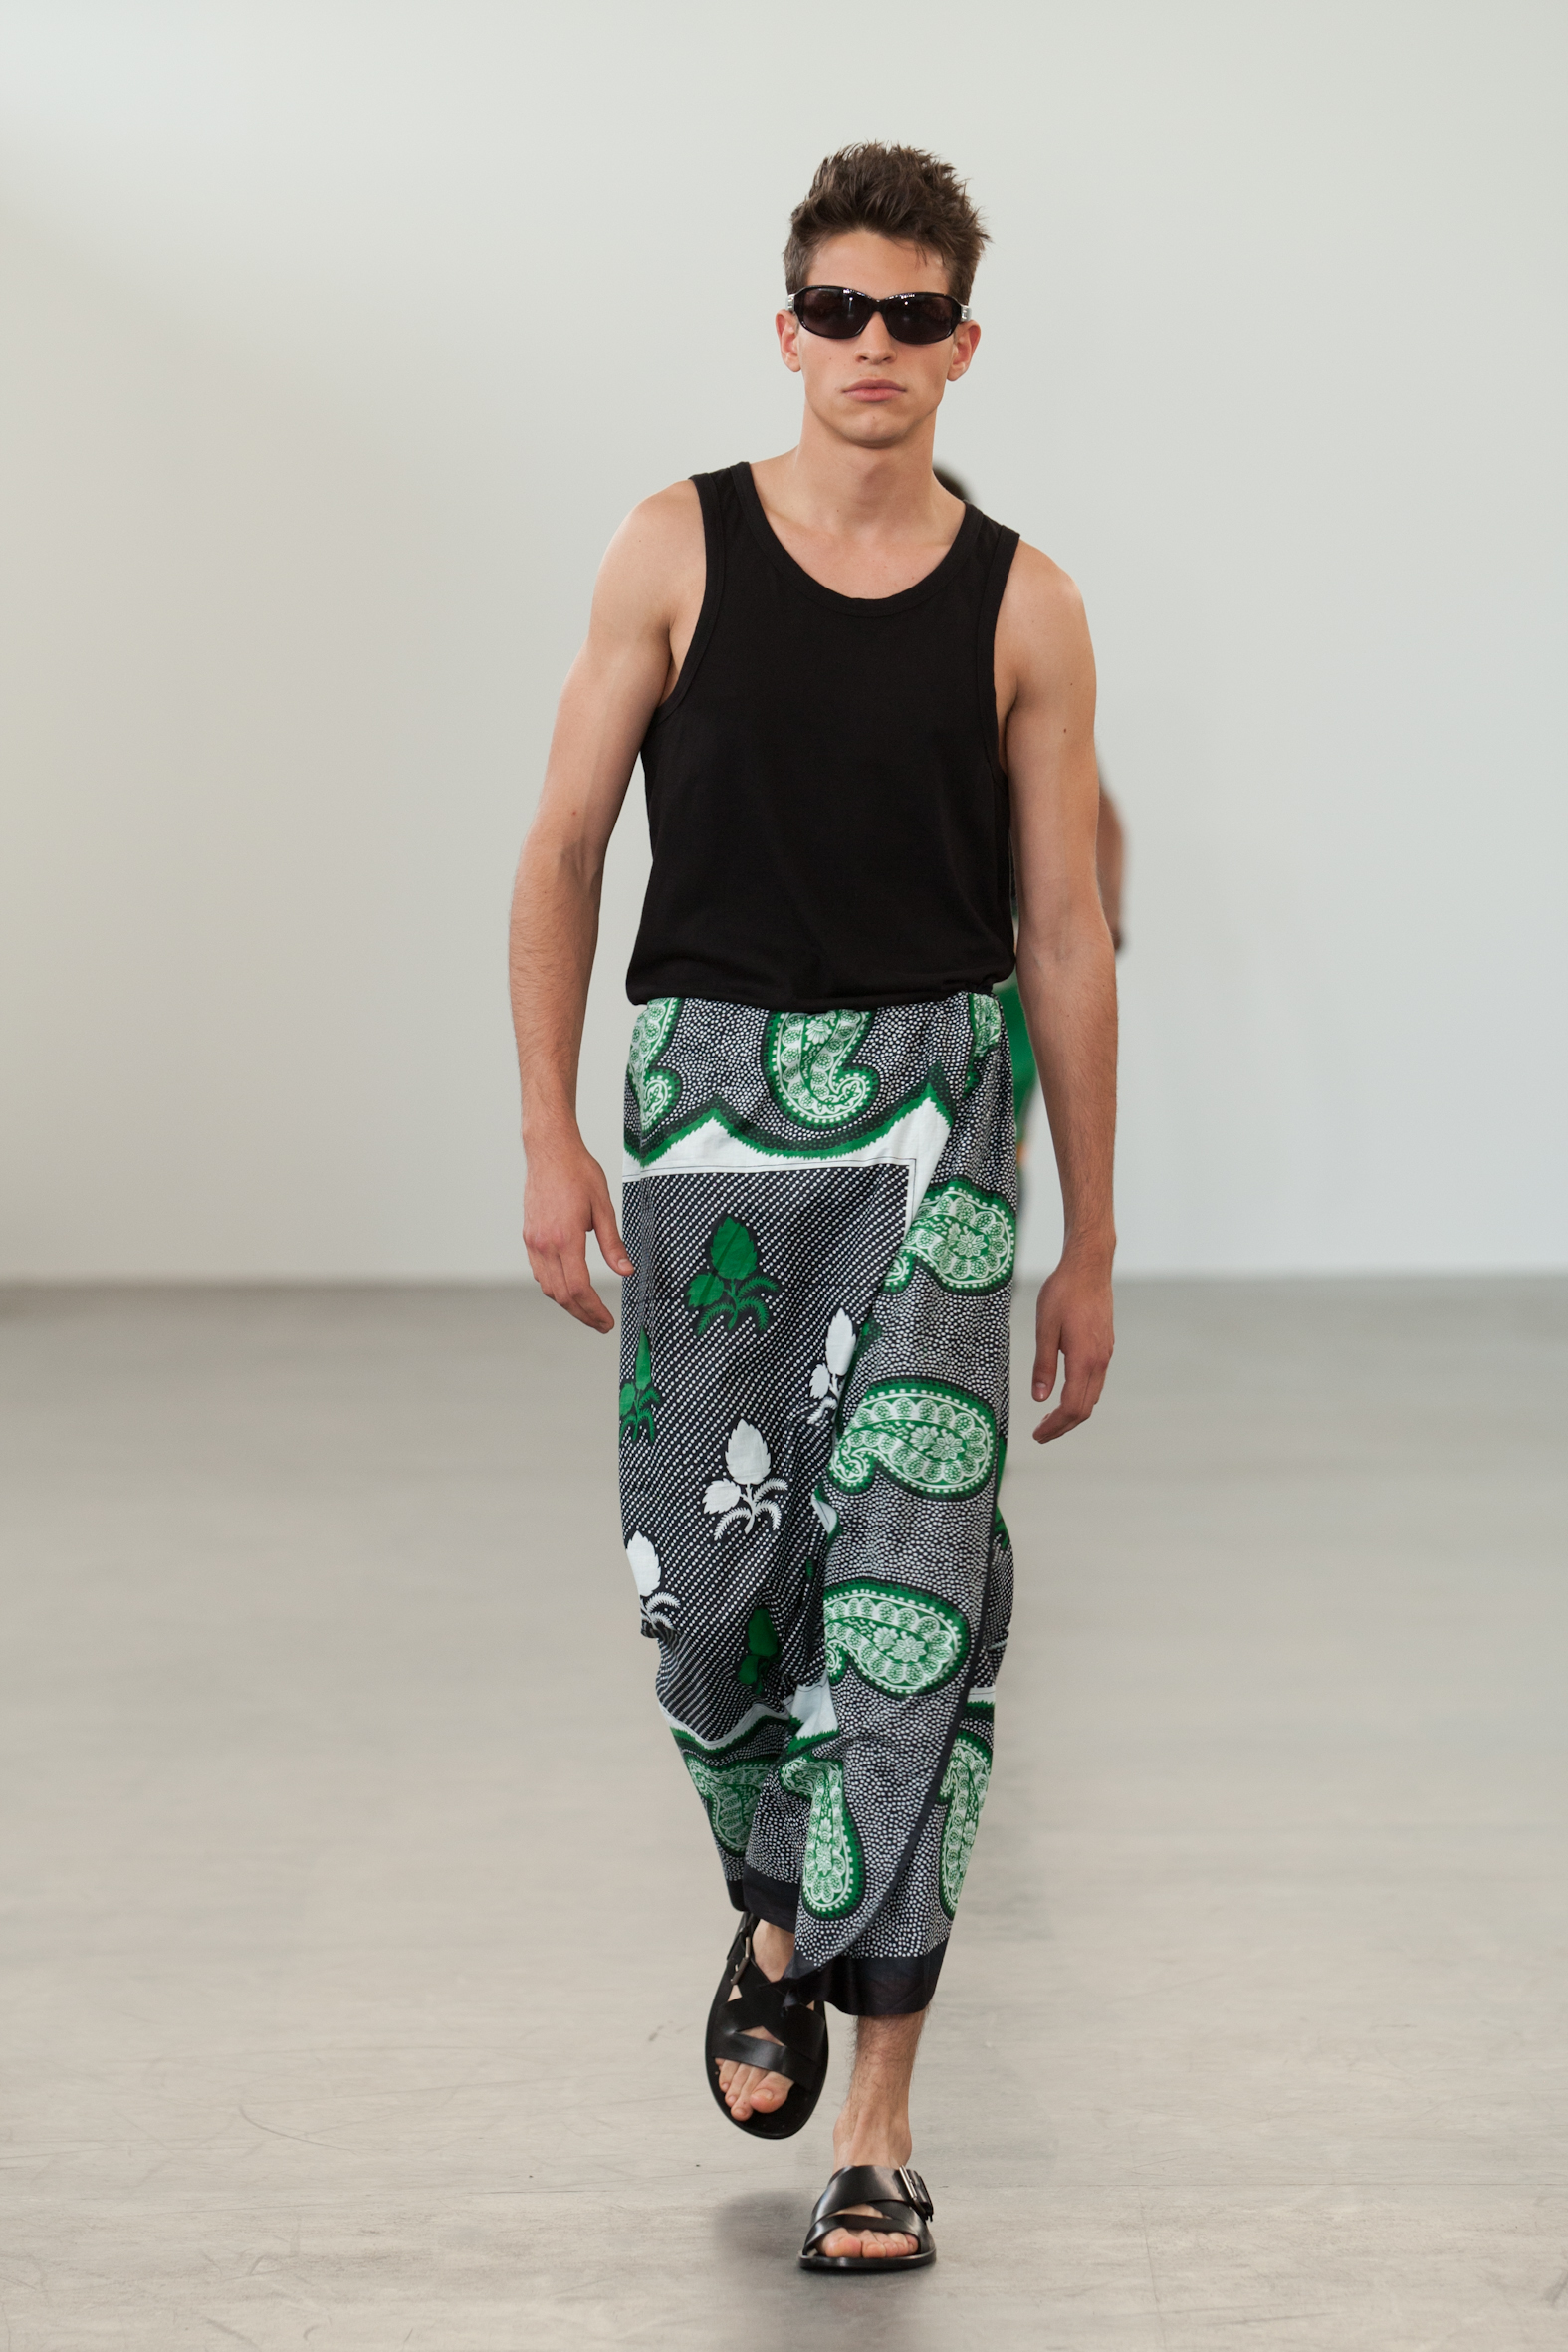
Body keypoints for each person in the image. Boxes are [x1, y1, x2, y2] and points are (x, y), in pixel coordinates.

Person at [509, 143, 1117, 2274]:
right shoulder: (673, 546)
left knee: (910, 1608)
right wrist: (547, 1132)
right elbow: (563, 845)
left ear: (961, 343)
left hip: (944, 1120)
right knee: (708, 1599)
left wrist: (1091, 1233)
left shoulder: (1026, 602)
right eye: (840, 310)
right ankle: (775, 1885)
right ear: (789, 329)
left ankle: (878, 2126)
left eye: (911, 315)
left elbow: (1065, 928)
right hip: (705, 1120)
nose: (874, 345)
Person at [934, 464, 1125, 1167]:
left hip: (1002, 933)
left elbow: (1101, 813)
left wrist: (1101, 922)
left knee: (995, 1120)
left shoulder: (1010, 647)